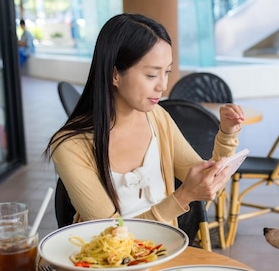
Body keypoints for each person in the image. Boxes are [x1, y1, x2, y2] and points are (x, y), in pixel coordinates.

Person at [45, 13, 244, 226]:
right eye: (151, 75)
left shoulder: (157, 117)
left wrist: (226, 135)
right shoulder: (69, 145)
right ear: (115, 75)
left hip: (166, 251)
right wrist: (183, 196)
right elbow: (111, 233)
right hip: (109, 258)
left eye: (166, 72)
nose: (162, 86)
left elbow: (208, 181)